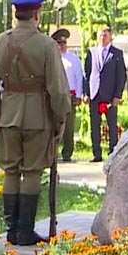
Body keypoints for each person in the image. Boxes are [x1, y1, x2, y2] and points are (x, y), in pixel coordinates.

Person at [0, 0, 72, 245]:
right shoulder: (46, 45)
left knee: (10, 171)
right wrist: (59, 118)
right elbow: (58, 89)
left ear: (15, 14)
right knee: (31, 172)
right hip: (37, 117)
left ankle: (11, 230)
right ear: (36, 14)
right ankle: (25, 230)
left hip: (9, 114)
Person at [83, 27, 126, 163]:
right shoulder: (91, 52)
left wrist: (117, 95)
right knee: (94, 126)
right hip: (95, 94)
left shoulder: (116, 53)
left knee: (111, 125)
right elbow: (87, 74)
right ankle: (96, 153)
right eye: (100, 35)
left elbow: (121, 76)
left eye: (105, 35)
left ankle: (113, 152)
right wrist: (86, 93)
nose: (102, 38)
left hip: (110, 96)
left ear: (110, 37)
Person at [54, 29, 84, 162]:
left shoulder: (73, 59)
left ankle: (67, 152)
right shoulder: (53, 58)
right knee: (54, 124)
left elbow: (79, 78)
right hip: (55, 95)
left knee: (69, 126)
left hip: (70, 96)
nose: (62, 46)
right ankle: (53, 151)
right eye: (59, 43)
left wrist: (78, 95)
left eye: (64, 43)